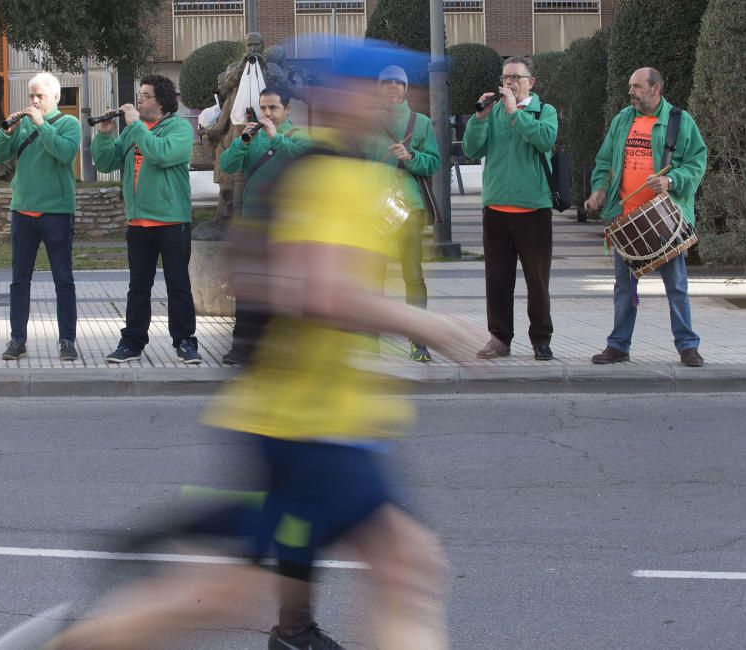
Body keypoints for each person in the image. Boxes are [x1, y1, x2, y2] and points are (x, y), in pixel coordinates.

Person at [40, 39, 483, 650]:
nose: (386, 98)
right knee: (359, 571)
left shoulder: (332, 171)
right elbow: (325, 294)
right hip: (309, 422)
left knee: (391, 564)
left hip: (315, 414)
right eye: (370, 88)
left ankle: (96, 637)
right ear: (339, 97)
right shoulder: (334, 178)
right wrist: (430, 326)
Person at [585, 67, 707, 367]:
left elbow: (697, 161)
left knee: (676, 286)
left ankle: (687, 346)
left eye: (637, 87)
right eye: (631, 87)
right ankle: (618, 346)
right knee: (624, 288)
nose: (632, 92)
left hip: (664, 218)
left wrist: (670, 180)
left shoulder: (679, 120)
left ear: (656, 89)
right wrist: (599, 190)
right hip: (627, 220)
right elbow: (604, 162)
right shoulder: (622, 120)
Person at [92, 75, 202, 364]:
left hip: (171, 220)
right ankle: (132, 342)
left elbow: (162, 154)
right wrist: (104, 134)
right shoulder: (131, 131)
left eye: (145, 95)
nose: (139, 99)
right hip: (138, 223)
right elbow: (105, 163)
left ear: (162, 100)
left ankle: (185, 341)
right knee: (138, 287)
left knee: (178, 285)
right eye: (139, 94)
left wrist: (136, 126)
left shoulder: (178, 129)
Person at [462, 55, 557, 362]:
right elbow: (471, 149)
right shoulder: (493, 113)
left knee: (537, 280)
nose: (510, 83)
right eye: (505, 78)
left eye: (516, 77)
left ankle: (541, 339)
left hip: (533, 209)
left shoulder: (545, 111)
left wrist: (516, 113)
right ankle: (499, 338)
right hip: (496, 210)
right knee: (498, 279)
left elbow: (544, 140)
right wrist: (478, 119)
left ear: (531, 81)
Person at [0, 72, 81, 363]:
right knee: (19, 280)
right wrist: (5, 132)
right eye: (31, 96)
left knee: (63, 279)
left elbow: (65, 153)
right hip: (23, 211)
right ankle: (18, 339)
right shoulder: (23, 123)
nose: (34, 101)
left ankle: (67, 340)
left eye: (39, 96)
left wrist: (42, 125)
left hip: (56, 211)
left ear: (55, 97)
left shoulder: (69, 123)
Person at [218, 86, 312, 365]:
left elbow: (301, 160)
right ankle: (242, 348)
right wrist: (242, 142)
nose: (267, 113)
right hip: (254, 224)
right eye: (263, 108)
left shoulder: (301, 136)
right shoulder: (253, 138)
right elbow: (227, 164)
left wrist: (276, 137)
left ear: (287, 110)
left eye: (273, 108)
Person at [365, 65, 441, 362]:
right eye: (387, 83)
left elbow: (433, 163)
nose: (393, 87)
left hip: (408, 207)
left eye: (399, 83)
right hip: (373, 207)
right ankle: (371, 339)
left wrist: (411, 157)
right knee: (373, 275)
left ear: (406, 89)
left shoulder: (420, 123)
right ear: (379, 88)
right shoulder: (366, 122)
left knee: (413, 274)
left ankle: (418, 341)